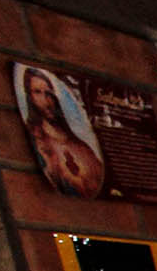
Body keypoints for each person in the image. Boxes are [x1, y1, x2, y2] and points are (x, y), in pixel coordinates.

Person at [18, 67, 105, 198]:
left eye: (48, 93)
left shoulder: (76, 142)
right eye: (37, 92)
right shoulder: (37, 139)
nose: (46, 100)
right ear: (29, 97)